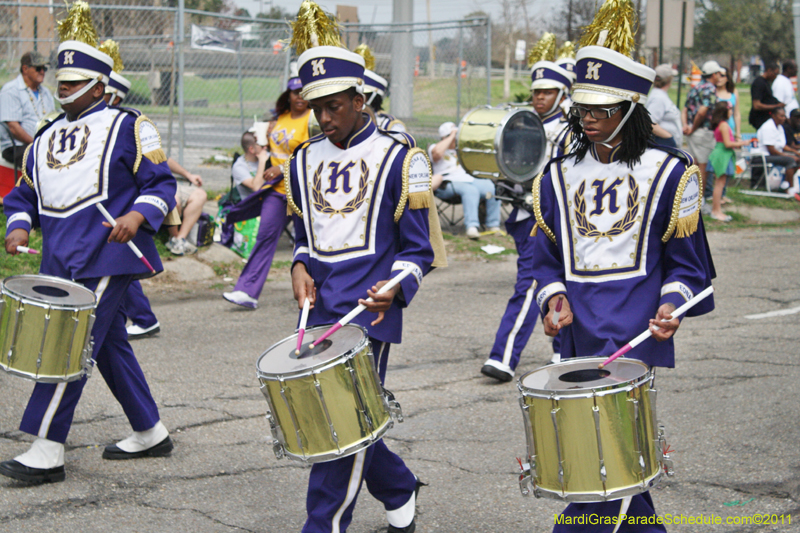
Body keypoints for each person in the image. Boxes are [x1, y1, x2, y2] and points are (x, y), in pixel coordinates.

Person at [528, 0, 715, 529]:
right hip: (575, 335)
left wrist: (670, 307)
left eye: (602, 109)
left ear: (630, 110)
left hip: (635, 337)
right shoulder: (556, 175)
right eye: (583, 107)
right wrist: (553, 298)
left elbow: (690, 268)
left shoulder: (671, 173)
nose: (587, 118)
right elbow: (544, 259)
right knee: (616, 472)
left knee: (601, 468)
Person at [284, 3, 443, 530]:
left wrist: (394, 288)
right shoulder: (302, 159)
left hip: (370, 311)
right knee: (337, 415)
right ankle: (398, 487)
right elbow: (305, 234)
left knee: (341, 424)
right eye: (315, 108)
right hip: (318, 307)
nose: (324, 118)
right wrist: (299, 264)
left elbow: (418, 251)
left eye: (334, 107)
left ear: (359, 99)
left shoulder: (402, 158)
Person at [0, 11, 176, 484]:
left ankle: (46, 447)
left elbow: (159, 184)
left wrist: (137, 216)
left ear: (99, 86)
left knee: (67, 344)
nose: (64, 87)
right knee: (111, 342)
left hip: (107, 253)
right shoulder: (44, 136)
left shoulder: (131, 126)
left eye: (76, 80)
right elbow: (24, 193)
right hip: (58, 256)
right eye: (62, 78)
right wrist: (19, 226)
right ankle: (150, 430)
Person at [480, 32, 572, 382]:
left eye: (547, 92)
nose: (539, 98)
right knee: (539, 283)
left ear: (562, 94)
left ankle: (505, 356)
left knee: (538, 284)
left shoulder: (567, 132)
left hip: (552, 221)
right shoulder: (517, 126)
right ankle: (560, 352)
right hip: (524, 218)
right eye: (536, 91)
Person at [222, 74, 311, 308]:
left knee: (313, 241)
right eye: (295, 92)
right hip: (277, 191)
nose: (300, 96)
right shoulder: (279, 119)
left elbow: (314, 153)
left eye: (304, 91)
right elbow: (272, 149)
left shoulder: (313, 119)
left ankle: (318, 290)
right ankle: (247, 292)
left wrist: (283, 167)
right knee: (264, 237)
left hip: (304, 192)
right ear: (288, 96)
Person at [429, 122, 501, 239]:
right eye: (452, 136)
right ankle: (472, 227)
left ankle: (493, 225)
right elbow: (437, 154)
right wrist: (452, 135)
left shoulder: (461, 148)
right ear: (444, 137)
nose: (456, 139)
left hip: (468, 179)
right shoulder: (434, 147)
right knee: (470, 190)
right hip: (447, 183)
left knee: (491, 188)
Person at [0, 51, 56, 167]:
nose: (42, 72)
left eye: (44, 69)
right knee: (44, 161)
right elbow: (13, 128)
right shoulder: (11, 90)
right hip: (16, 146)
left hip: (42, 144)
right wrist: (36, 144)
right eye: (38, 68)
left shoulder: (45, 92)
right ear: (25, 69)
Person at [707, 102, 755, 221]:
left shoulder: (722, 124)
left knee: (720, 184)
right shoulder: (723, 125)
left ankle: (717, 210)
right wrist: (743, 143)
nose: (732, 112)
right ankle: (715, 211)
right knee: (719, 184)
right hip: (722, 154)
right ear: (725, 111)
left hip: (723, 154)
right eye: (730, 110)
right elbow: (727, 143)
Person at [683, 60, 723, 197]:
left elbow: (685, 109)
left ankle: (689, 197)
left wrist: (686, 126)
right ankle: (699, 201)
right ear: (714, 74)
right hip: (703, 131)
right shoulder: (710, 89)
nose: (719, 76)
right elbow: (702, 111)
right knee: (702, 168)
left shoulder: (695, 87)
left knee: (694, 166)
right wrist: (693, 128)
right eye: (718, 73)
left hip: (691, 132)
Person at [753, 107, 800, 190]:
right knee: (791, 160)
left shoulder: (779, 127)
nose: (784, 118)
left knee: (797, 158)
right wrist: (788, 156)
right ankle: (790, 188)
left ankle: (785, 184)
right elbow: (772, 150)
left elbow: (782, 145)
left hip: (774, 154)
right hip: (764, 156)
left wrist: (795, 152)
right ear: (774, 116)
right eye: (781, 116)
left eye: (784, 116)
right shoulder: (768, 127)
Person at [646, 64, 683, 149]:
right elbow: (650, 123)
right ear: (669, 79)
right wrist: (669, 138)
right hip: (663, 144)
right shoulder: (658, 98)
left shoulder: (659, 94)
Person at [750, 61, 784, 130]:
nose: (775, 77)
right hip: (760, 118)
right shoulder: (759, 83)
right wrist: (776, 106)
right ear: (769, 70)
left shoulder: (766, 82)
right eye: (775, 74)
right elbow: (756, 105)